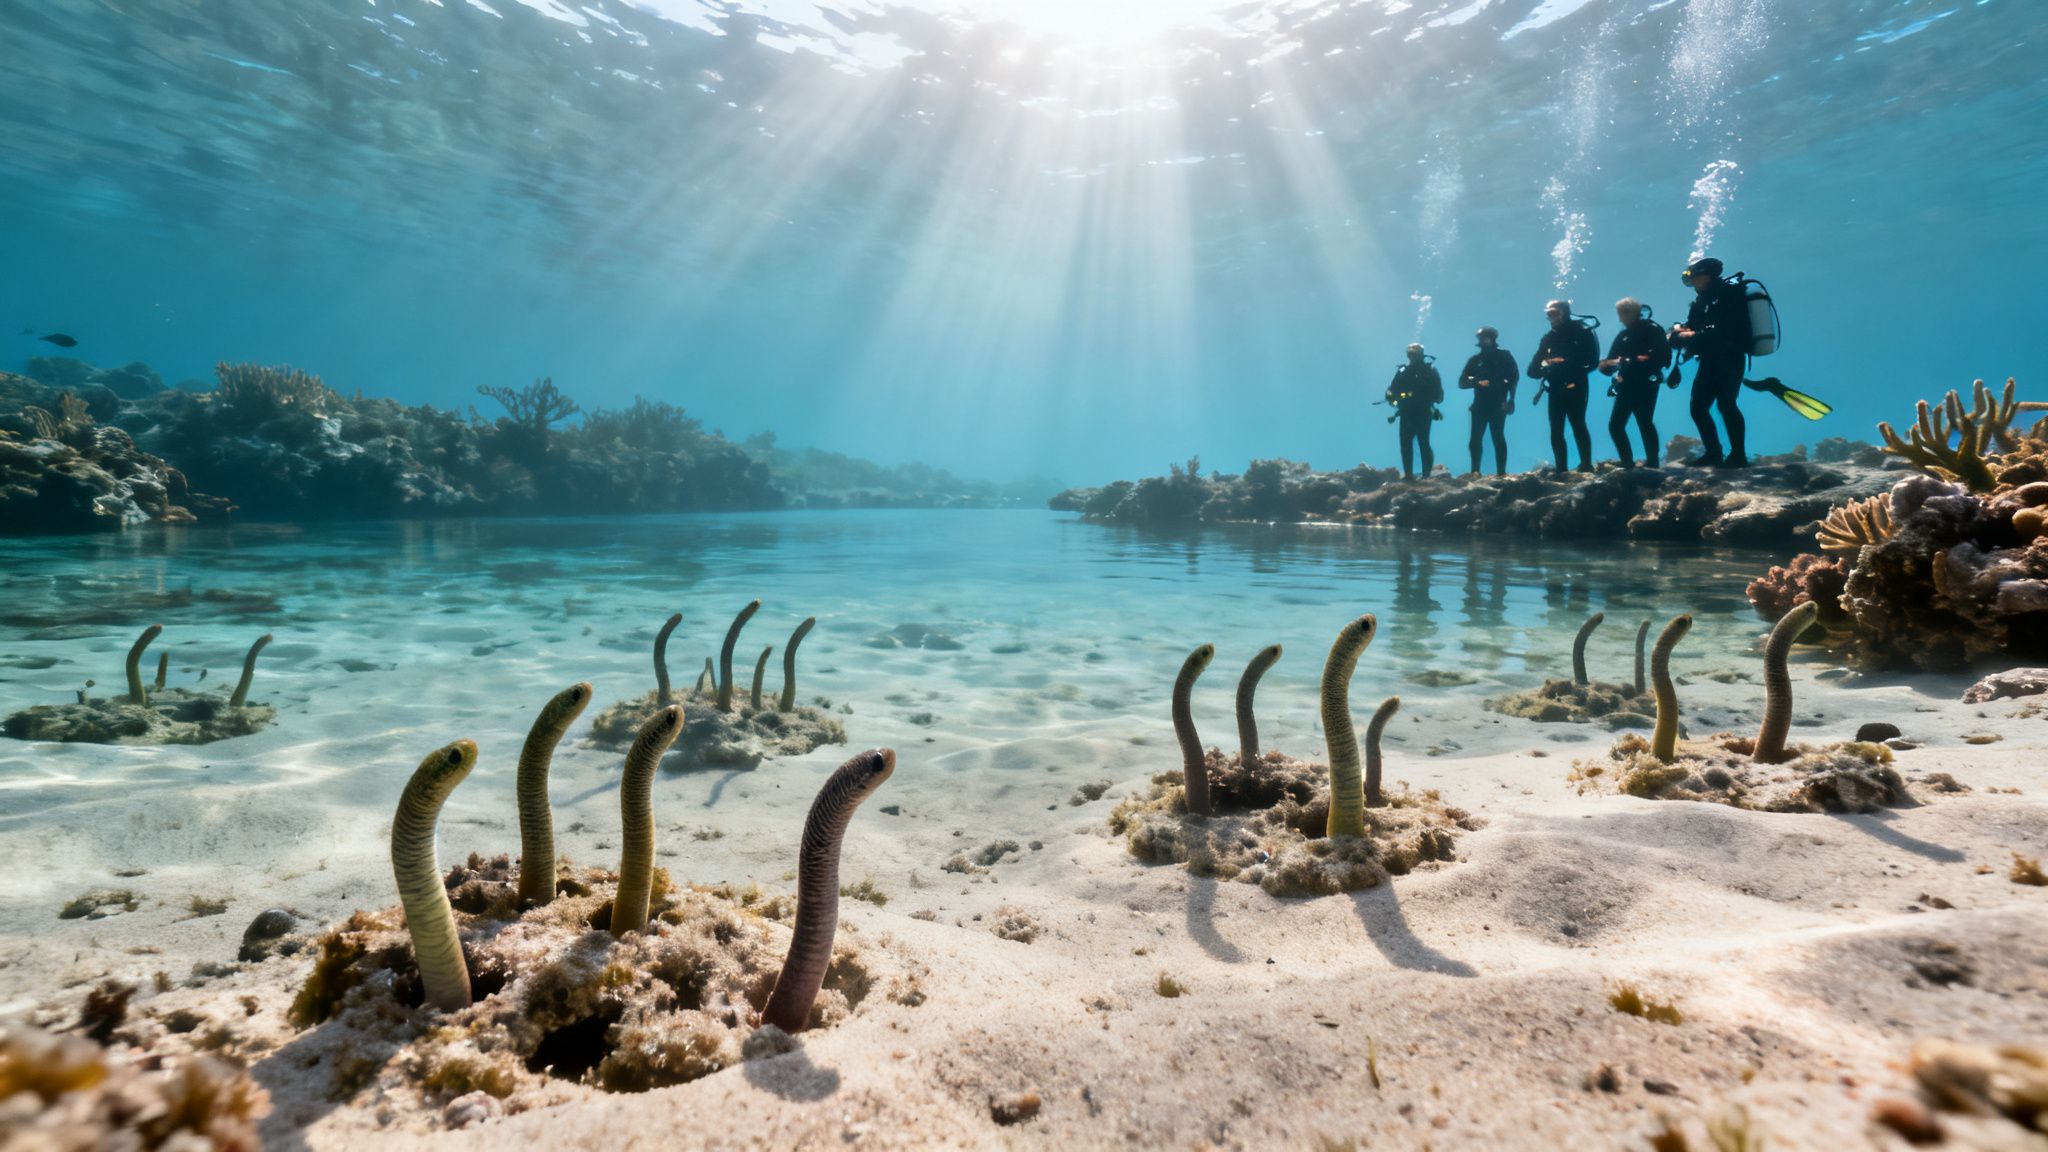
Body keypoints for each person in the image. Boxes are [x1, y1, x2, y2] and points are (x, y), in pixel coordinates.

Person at [1670, 256, 1752, 468]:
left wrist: (1691, 336)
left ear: (1706, 274)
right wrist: (1678, 333)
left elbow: (1726, 329)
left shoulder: (1729, 293)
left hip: (1730, 357)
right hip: (1708, 360)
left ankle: (1738, 456)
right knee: (1698, 408)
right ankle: (1713, 454)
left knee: (1726, 404)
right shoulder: (1699, 302)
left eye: (1694, 275)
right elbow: (1693, 328)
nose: (1692, 281)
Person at [1598, 297, 1673, 468]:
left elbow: (1663, 357)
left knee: (1644, 421)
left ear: (1634, 312)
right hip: (1626, 383)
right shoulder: (1623, 335)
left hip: (1646, 382)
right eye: (1619, 314)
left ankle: (1652, 462)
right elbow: (1608, 362)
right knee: (1616, 425)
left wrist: (1633, 361)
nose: (1620, 318)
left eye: (1623, 313)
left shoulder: (1652, 329)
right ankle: (1627, 463)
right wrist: (1607, 365)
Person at [1527, 300, 1600, 474]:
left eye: (1555, 313)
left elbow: (1591, 362)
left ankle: (1586, 465)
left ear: (1565, 313)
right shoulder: (1549, 338)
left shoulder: (1581, 331)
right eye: (1549, 314)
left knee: (1578, 424)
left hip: (1576, 385)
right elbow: (1532, 370)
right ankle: (1562, 470)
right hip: (1556, 387)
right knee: (1556, 429)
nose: (1551, 317)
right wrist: (1547, 366)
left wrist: (1563, 365)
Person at [1458, 327, 1519, 475]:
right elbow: (1462, 382)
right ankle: (1475, 472)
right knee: (1475, 439)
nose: (1482, 340)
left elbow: (1514, 378)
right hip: (1480, 404)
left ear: (1493, 338)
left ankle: (1501, 473)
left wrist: (1511, 399)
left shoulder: (1505, 356)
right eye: (1480, 338)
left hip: (1499, 403)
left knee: (1497, 437)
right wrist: (1477, 382)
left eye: (1484, 337)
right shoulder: (1475, 360)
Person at [1386, 343, 1444, 479]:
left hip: (1422, 411)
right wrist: (1393, 399)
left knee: (1421, 443)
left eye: (1415, 355)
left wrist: (1395, 400)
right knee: (1409, 444)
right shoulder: (1404, 372)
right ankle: (1410, 475)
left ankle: (1424, 476)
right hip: (1408, 412)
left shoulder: (1429, 371)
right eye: (1411, 355)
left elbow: (1439, 395)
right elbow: (1391, 391)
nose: (1413, 358)